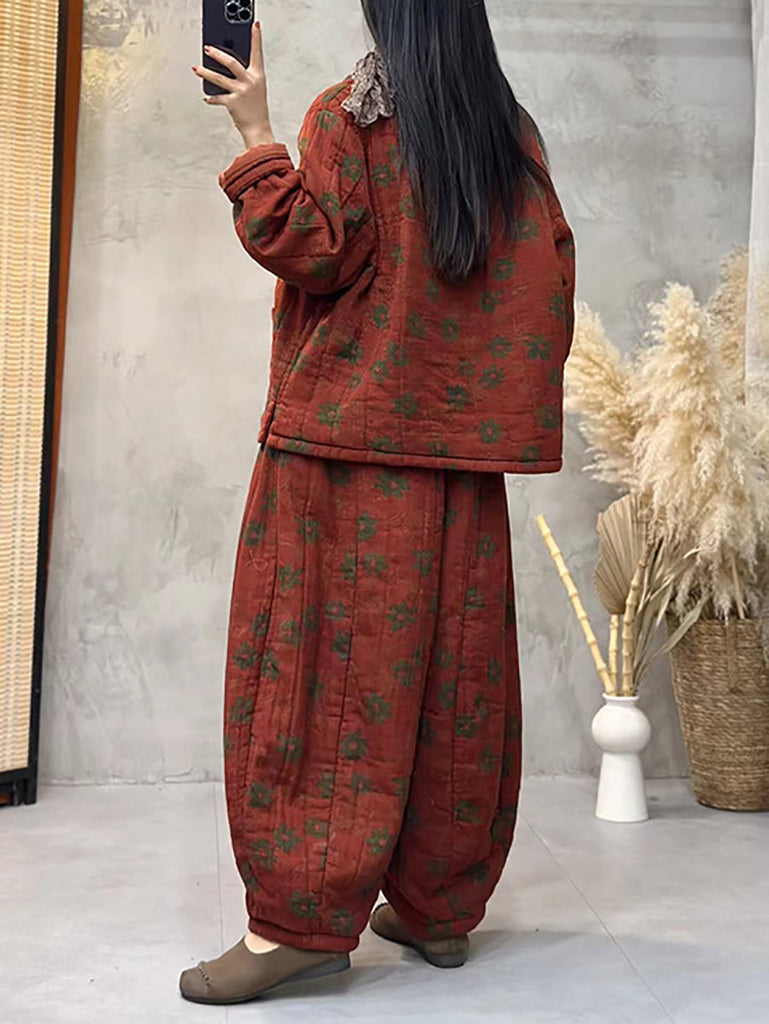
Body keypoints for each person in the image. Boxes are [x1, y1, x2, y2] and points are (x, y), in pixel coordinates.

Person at [181, 0, 575, 1005]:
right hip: (458, 463)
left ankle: (295, 928)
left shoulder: (347, 115)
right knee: (456, 682)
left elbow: (310, 249)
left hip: (343, 452)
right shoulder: (507, 133)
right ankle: (439, 911)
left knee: (314, 679)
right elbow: (543, 278)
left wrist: (252, 131)